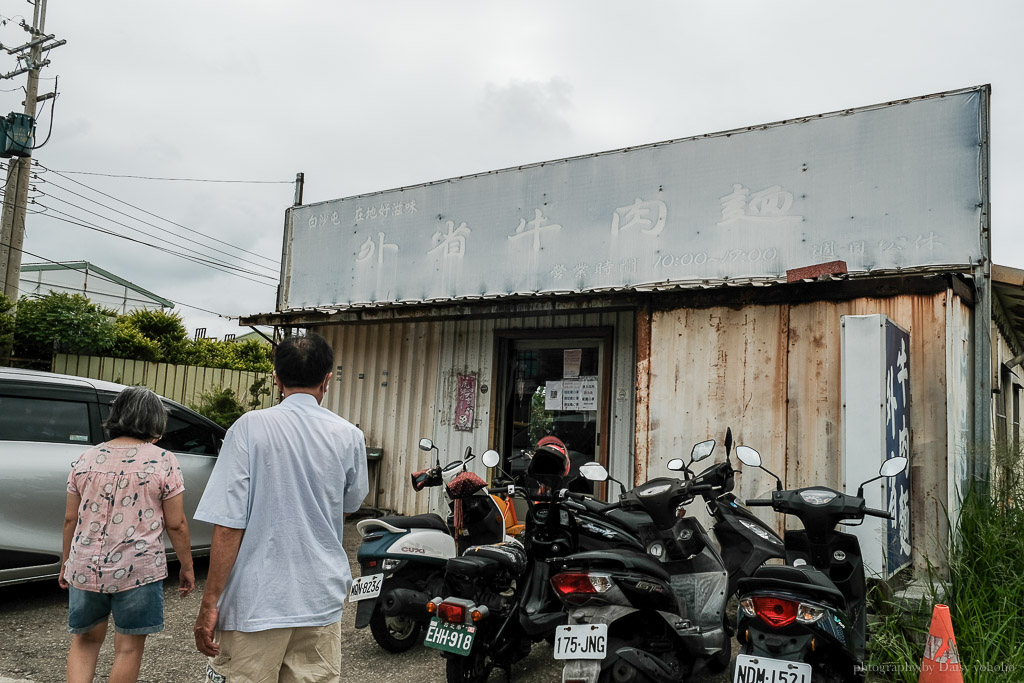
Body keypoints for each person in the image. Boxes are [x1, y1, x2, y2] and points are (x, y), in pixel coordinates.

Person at [193, 332, 369, 682]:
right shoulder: (349, 435)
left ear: (276, 378)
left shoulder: (249, 428)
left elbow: (228, 525)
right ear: (328, 379)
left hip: (256, 603)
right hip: (319, 598)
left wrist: (209, 602)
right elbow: (348, 505)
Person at [60, 386, 195, 683]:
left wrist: (66, 561)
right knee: (129, 648)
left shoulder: (86, 458)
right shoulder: (163, 460)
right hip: (138, 569)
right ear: (156, 421)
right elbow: (177, 524)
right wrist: (187, 565)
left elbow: (71, 518)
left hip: (84, 567)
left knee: (85, 640)